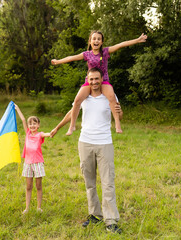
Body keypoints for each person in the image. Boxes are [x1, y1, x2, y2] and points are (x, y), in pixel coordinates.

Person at [51, 68, 123, 233]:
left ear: (102, 78)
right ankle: (95, 215)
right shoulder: (83, 96)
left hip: (104, 143)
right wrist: (57, 127)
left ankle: (111, 221)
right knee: (89, 182)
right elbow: (72, 112)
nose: (94, 82)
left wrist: (120, 113)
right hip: (85, 143)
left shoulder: (109, 95)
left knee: (108, 183)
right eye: (91, 79)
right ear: (87, 79)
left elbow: (119, 114)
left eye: (97, 79)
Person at [52, 31, 147, 134]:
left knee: (112, 97)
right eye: (94, 39)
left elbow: (121, 44)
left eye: (98, 39)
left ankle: (117, 125)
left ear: (102, 42)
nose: (96, 41)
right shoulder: (86, 54)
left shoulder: (105, 52)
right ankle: (72, 126)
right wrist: (58, 61)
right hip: (90, 81)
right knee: (77, 100)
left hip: (104, 81)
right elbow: (72, 58)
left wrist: (137, 40)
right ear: (90, 41)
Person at [15, 104, 51, 214]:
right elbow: (22, 119)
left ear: (38, 125)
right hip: (28, 163)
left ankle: (39, 207)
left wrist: (53, 132)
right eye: (30, 124)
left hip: (38, 163)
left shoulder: (40, 135)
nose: (32, 125)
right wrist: (17, 108)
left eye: (34, 123)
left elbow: (47, 134)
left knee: (38, 186)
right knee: (28, 186)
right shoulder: (27, 134)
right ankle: (27, 208)